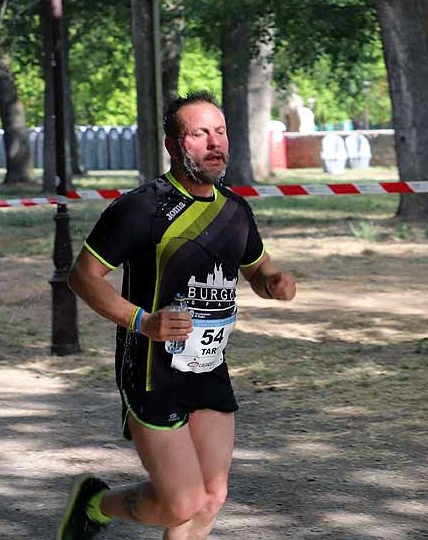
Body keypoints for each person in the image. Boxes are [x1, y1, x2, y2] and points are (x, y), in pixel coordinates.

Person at [58, 91, 296, 540]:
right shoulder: (141, 208)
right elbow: (83, 277)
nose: (214, 143)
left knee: (211, 497)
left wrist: (273, 282)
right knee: (180, 503)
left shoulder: (235, 210)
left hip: (208, 366)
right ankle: (95, 504)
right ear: (173, 144)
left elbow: (257, 267)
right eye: (199, 133)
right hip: (151, 371)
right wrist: (142, 321)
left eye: (220, 132)